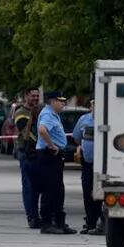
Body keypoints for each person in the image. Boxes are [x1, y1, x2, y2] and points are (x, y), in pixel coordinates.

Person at [36, 90, 75, 234]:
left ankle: (59, 222)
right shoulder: (47, 114)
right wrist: (52, 145)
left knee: (58, 190)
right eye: (61, 101)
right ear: (52, 101)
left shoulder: (54, 115)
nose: (63, 103)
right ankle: (47, 223)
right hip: (48, 155)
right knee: (49, 189)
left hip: (54, 156)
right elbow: (42, 130)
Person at [72, 99, 103, 235]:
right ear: (91, 106)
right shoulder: (84, 119)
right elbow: (76, 137)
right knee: (88, 193)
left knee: (102, 194)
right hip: (88, 162)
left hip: (104, 166)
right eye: (94, 104)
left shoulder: (109, 118)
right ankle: (90, 222)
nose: (96, 107)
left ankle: (103, 222)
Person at [14, 87, 42, 229]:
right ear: (26, 96)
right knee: (29, 187)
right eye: (33, 96)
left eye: (37, 96)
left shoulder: (39, 111)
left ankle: (38, 216)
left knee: (38, 187)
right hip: (26, 152)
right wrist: (42, 139)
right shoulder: (21, 113)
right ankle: (31, 216)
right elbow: (26, 132)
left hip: (38, 153)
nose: (36, 98)